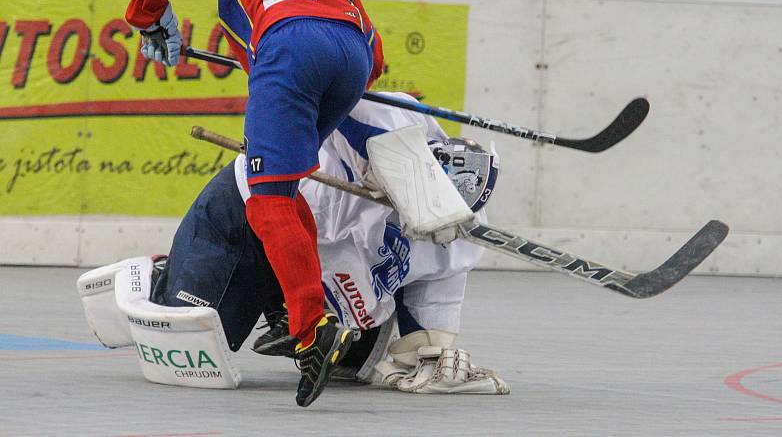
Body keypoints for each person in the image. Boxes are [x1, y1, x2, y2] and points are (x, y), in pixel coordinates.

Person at [124, 0, 384, 407]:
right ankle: (307, 306)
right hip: (351, 55)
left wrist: (148, 18)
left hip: (288, 44)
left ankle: (311, 327)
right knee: (283, 190)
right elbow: (375, 57)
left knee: (266, 198)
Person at [79, 94, 509, 396]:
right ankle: (158, 276)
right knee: (194, 351)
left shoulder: (459, 232)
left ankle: (286, 309)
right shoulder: (390, 131)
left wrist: (431, 357)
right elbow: (347, 97)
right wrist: (373, 164)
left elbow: (428, 315)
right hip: (255, 216)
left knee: (352, 366)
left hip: (324, 265)